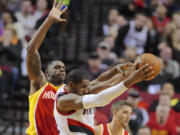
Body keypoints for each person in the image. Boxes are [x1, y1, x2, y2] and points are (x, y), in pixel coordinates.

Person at [26, 0, 139, 134]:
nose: (61, 69)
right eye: (56, 67)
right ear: (47, 72)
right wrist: (49, 20)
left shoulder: (72, 92)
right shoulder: (40, 83)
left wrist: (119, 72)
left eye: (63, 68)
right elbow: (31, 50)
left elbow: (101, 82)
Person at [54, 63, 154, 134]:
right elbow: (99, 99)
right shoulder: (64, 100)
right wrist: (130, 81)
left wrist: (117, 71)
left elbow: (100, 81)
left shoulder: (78, 88)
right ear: (71, 84)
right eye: (84, 87)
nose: (86, 90)